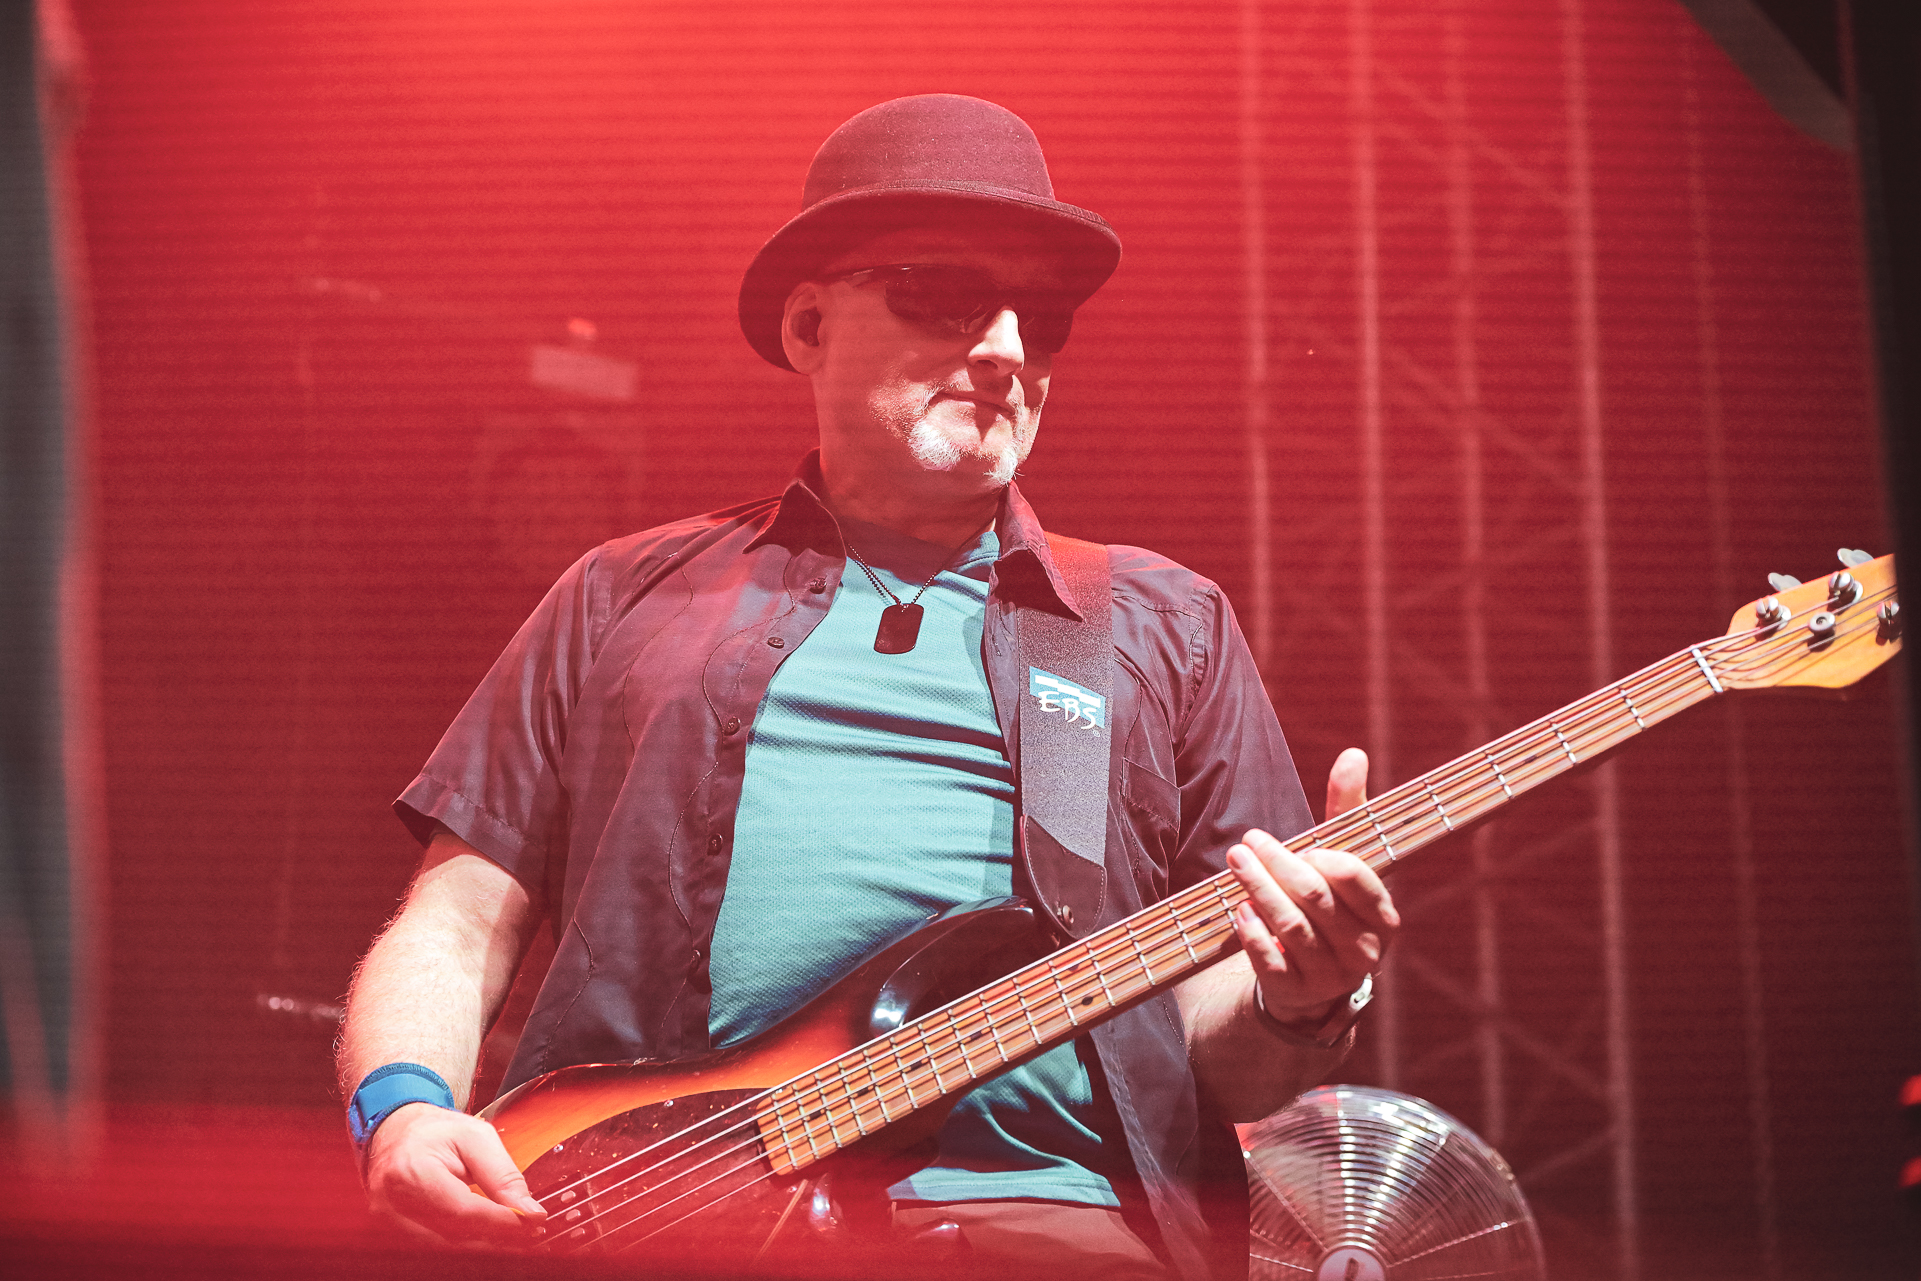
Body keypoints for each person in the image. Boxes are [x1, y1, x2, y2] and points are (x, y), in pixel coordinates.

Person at [335, 94, 1397, 1281]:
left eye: (1041, 319)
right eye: (943, 297)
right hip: (652, 1221)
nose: (1005, 349)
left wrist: (1299, 1001)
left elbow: (1222, 1057)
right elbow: (454, 922)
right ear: (808, 326)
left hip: (1043, 1231)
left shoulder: (1163, 622)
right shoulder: (622, 595)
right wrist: (403, 1111)